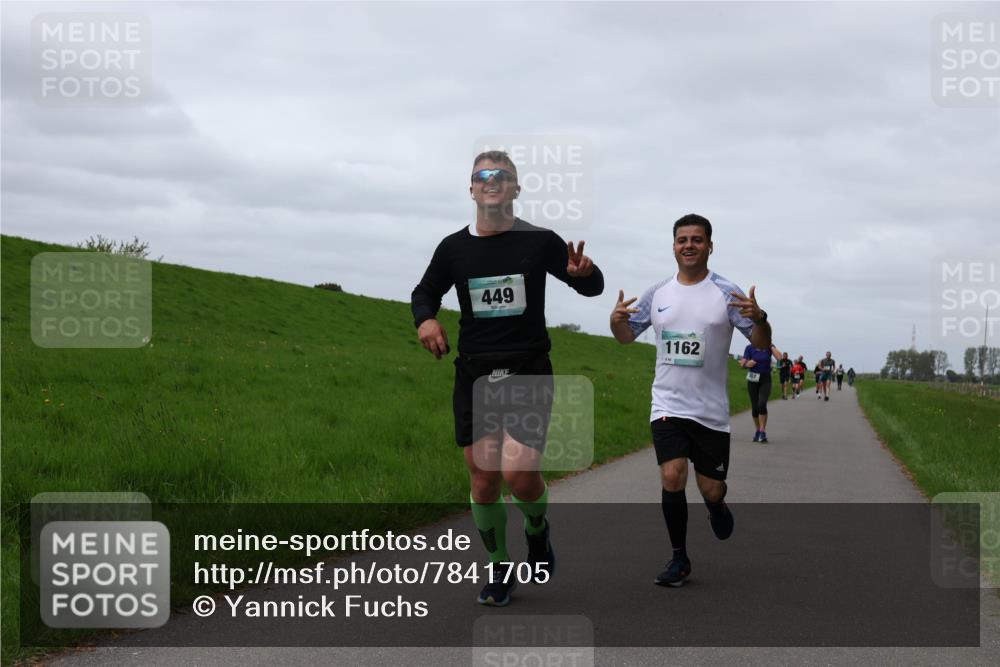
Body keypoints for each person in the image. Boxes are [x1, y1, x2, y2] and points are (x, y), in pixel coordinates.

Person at [410, 150, 605, 606]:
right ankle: (500, 566)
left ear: (516, 189)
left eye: (503, 176)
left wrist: (585, 275)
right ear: (472, 188)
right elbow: (425, 292)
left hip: (527, 370)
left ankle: (537, 529)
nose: (492, 181)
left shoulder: (539, 242)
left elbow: (590, 285)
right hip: (475, 373)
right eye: (483, 175)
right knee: (482, 479)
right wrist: (426, 320)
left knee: (518, 475)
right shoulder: (453, 248)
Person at [610, 213, 771, 587]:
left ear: (710, 246)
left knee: (710, 487)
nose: (689, 245)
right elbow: (625, 336)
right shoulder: (658, 294)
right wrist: (615, 320)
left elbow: (760, 342)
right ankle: (679, 558)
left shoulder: (728, 294)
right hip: (667, 404)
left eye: (697, 239)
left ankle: (716, 506)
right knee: (671, 475)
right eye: (682, 239)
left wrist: (760, 318)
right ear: (673, 246)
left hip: (710, 411)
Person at [739, 344, 782, 442]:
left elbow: (779, 357)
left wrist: (771, 346)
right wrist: (747, 364)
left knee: (762, 404)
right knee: (755, 408)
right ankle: (758, 430)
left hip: (765, 379)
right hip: (752, 379)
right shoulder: (749, 347)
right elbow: (742, 363)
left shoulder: (769, 346)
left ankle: (762, 431)